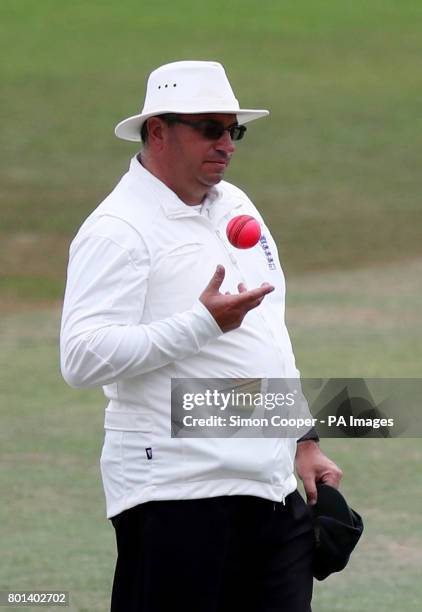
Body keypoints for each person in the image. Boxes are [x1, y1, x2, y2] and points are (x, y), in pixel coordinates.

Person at [60, 60, 342, 612]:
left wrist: (302, 440)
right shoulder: (118, 229)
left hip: (269, 489)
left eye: (233, 130)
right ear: (158, 131)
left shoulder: (237, 205)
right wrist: (201, 323)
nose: (227, 144)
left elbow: (267, 333)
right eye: (210, 129)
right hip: (175, 492)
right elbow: (81, 356)